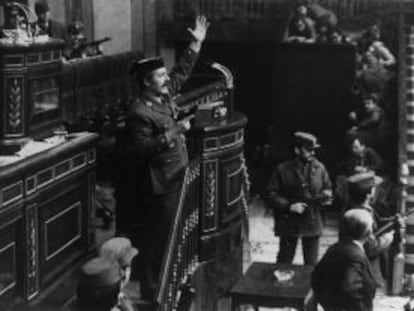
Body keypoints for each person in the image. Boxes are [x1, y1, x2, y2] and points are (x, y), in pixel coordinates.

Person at [115, 15, 209, 300]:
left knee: (175, 236)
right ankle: (154, 295)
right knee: (160, 242)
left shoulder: (162, 98)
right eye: (159, 75)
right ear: (146, 82)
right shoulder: (139, 112)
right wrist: (174, 132)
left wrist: (196, 43)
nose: (166, 78)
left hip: (177, 176)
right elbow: (138, 152)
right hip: (161, 185)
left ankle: (170, 283)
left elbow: (180, 73)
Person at [264, 131, 332, 265]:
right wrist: (288, 206)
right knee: (285, 260)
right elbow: (270, 194)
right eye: (309, 150)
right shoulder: (282, 170)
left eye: (314, 150)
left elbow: (328, 187)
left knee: (311, 262)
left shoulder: (320, 168)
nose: (313, 153)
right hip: (289, 221)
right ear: (296, 150)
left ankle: (310, 285)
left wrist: (326, 196)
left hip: (312, 219)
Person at [311, 209, 377, 311]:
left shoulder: (335, 247)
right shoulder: (356, 257)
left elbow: (316, 276)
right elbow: (350, 287)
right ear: (368, 232)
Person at [345, 171, 395, 285]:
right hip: (363, 270)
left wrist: (390, 222)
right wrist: (388, 237)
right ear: (368, 194)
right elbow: (370, 248)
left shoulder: (353, 208)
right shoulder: (363, 215)